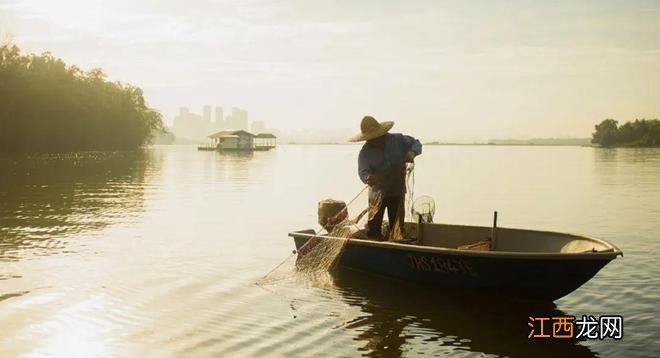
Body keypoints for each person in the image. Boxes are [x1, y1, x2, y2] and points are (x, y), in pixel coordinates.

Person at [349, 116, 422, 241]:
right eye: (370, 138)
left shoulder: (398, 140)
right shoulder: (365, 152)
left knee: (397, 227)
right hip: (377, 194)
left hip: (397, 190)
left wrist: (412, 152)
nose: (373, 140)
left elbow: (416, 143)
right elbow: (363, 171)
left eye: (376, 137)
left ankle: (397, 243)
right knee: (374, 229)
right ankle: (376, 243)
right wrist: (368, 178)